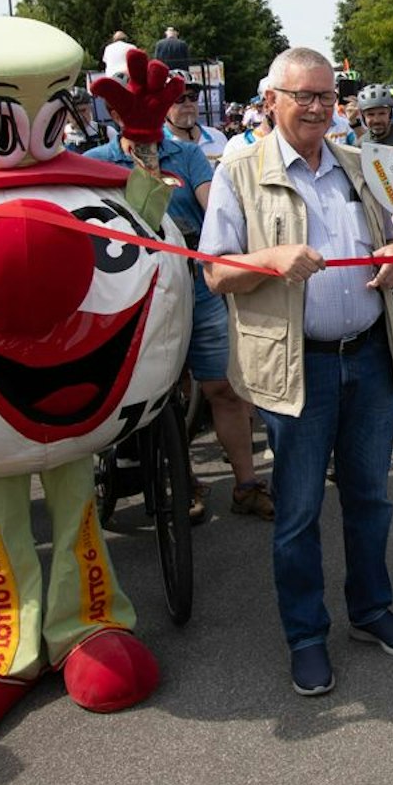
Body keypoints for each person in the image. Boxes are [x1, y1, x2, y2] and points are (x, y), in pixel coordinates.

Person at [200, 47, 393, 697]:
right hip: (298, 367)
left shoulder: (358, 162)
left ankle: (371, 609)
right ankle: (305, 634)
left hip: (370, 356)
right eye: (303, 96)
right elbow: (215, 271)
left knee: (370, 498)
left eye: (327, 96)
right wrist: (271, 258)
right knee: (297, 512)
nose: (317, 108)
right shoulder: (238, 170)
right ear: (271, 99)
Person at [85, 112, 269, 524]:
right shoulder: (98, 160)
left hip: (197, 288)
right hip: (134, 292)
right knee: (156, 395)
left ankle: (246, 484)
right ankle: (177, 480)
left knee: (224, 387)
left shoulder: (187, 154)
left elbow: (210, 202)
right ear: (117, 115)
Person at [164, 87, 228, 163]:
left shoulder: (218, 137)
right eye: (179, 98)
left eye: (192, 96)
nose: (188, 104)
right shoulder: (155, 145)